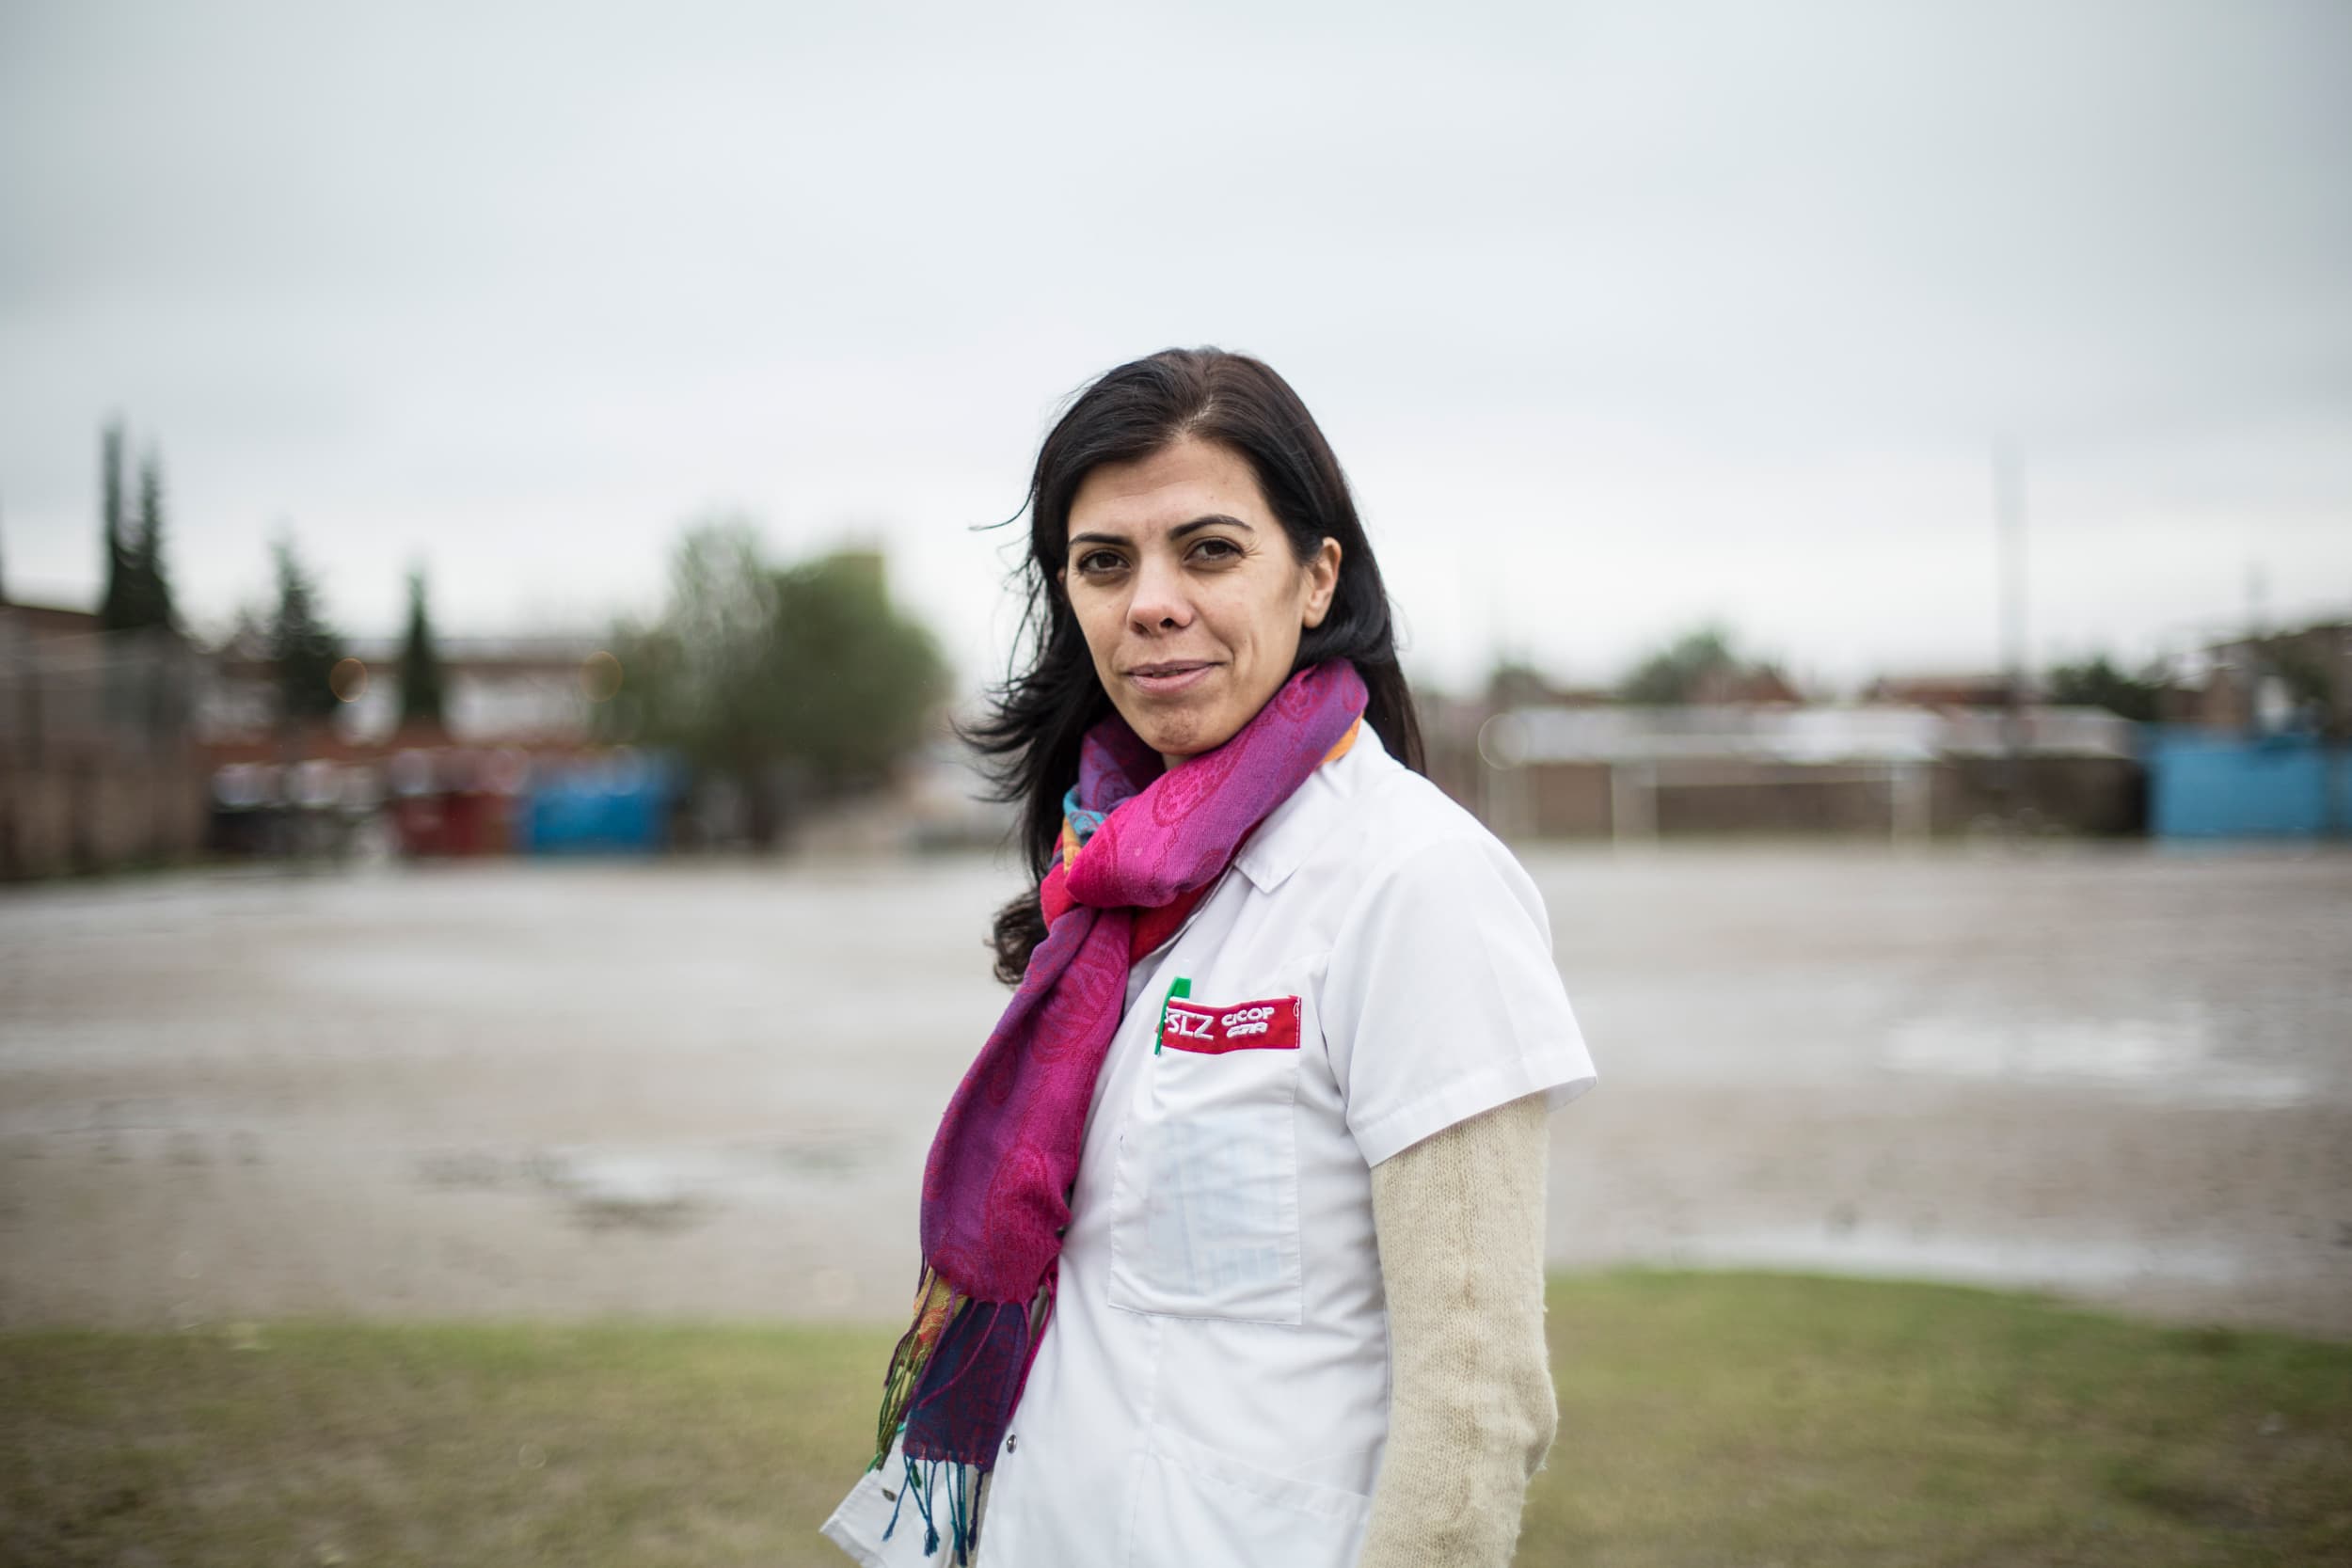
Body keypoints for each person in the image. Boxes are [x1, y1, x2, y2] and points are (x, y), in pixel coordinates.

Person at [823, 348, 1597, 1568]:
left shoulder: (1416, 883)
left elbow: (1477, 1404)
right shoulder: (1105, 883)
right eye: (1104, 562)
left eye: (1210, 550)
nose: (1151, 603)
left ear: (1316, 577)